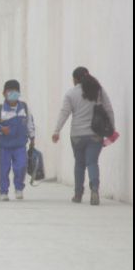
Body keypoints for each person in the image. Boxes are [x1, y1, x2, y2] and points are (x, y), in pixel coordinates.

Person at [52, 67, 115, 206]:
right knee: (92, 162)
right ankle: (94, 189)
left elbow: (64, 113)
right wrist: (112, 129)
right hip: (95, 134)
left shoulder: (71, 94)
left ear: (75, 79)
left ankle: (78, 194)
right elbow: (109, 109)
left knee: (79, 164)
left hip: (77, 135)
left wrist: (56, 131)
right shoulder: (98, 90)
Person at [0, 80, 36, 201]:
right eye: (10, 91)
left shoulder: (24, 108)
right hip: (4, 146)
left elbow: (30, 124)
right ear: (4, 93)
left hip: (20, 145)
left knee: (21, 166)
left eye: (15, 91)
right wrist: (1, 129)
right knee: (3, 170)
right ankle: (3, 191)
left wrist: (32, 138)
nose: (13, 94)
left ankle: (19, 188)